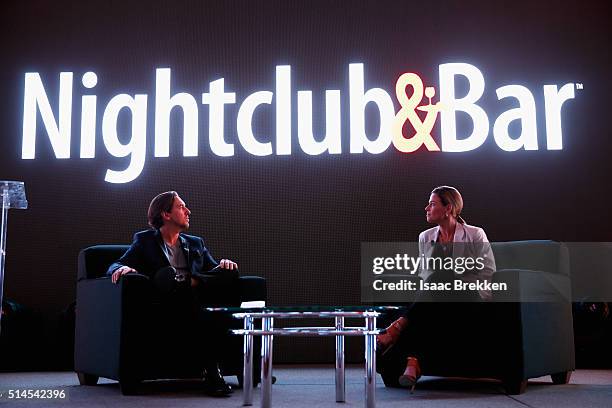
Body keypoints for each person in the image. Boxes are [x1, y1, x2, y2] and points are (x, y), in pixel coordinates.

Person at [107, 191, 239, 397]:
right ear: (166, 214)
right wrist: (120, 269)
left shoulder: (196, 243)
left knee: (229, 272)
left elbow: (212, 272)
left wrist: (223, 265)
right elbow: (116, 263)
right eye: (181, 207)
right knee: (168, 278)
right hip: (164, 304)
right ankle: (213, 374)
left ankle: (186, 282)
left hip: (195, 300)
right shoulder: (144, 241)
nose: (188, 211)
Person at [377, 186, 496, 391]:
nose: (426, 208)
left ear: (448, 208)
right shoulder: (425, 237)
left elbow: (487, 270)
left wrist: (456, 278)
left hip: (470, 294)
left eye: (432, 204)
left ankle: (399, 326)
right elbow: (424, 274)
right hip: (439, 298)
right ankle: (413, 362)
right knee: (435, 284)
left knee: (442, 275)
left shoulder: (475, 233)